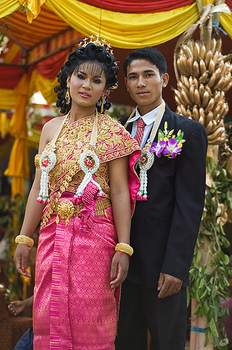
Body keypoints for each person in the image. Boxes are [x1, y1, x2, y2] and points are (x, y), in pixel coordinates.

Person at [14, 36, 141, 350]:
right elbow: (38, 188)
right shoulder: (50, 129)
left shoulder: (114, 132)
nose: (86, 85)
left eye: (96, 80)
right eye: (81, 76)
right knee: (47, 316)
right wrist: (24, 236)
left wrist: (123, 247)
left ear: (105, 90)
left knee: (91, 318)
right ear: (68, 79)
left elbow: (121, 193)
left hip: (94, 236)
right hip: (52, 234)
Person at [115, 47, 207, 350]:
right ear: (126, 84)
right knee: (124, 340)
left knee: (166, 342)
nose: (141, 83)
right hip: (120, 262)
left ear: (164, 79)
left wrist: (176, 266)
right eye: (133, 77)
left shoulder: (187, 131)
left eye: (148, 75)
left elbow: (189, 206)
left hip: (162, 264)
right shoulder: (116, 132)